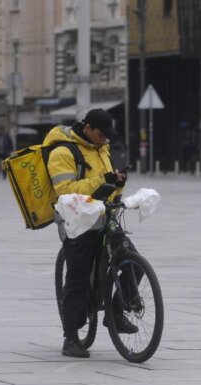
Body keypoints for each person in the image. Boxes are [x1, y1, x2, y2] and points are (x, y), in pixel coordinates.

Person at [48, 108, 136, 358]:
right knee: (78, 275)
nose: (105, 139)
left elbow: (107, 188)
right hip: (76, 222)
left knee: (132, 261)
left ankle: (116, 313)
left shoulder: (102, 149)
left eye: (108, 136)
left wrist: (117, 185)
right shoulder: (62, 152)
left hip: (102, 216)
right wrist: (102, 180)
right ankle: (71, 337)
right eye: (101, 134)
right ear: (87, 128)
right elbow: (64, 191)